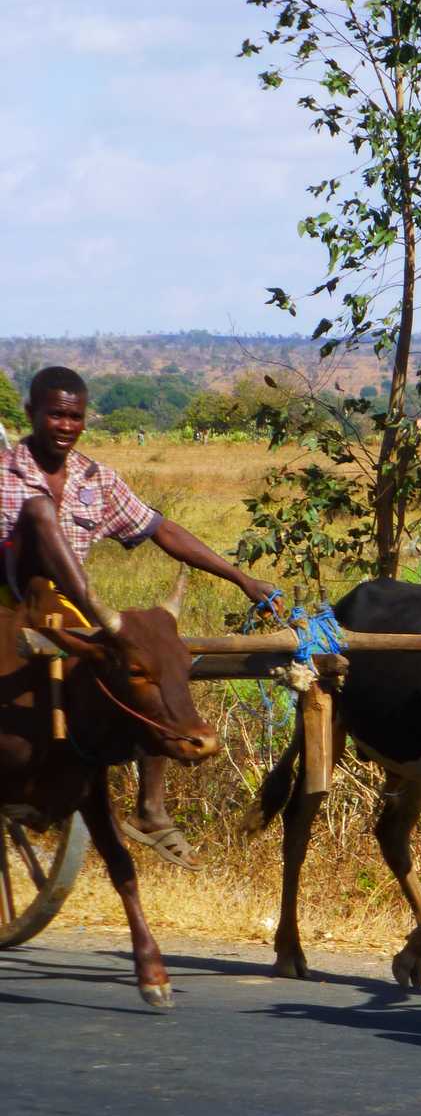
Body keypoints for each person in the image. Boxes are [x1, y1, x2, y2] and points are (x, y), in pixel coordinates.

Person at [1, 366, 279, 869]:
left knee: (148, 658)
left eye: (75, 416)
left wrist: (241, 578)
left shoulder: (97, 479)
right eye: (55, 414)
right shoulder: (3, 473)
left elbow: (162, 530)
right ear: (32, 414)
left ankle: (150, 809)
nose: (65, 425)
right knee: (38, 513)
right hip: (8, 604)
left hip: (63, 611)